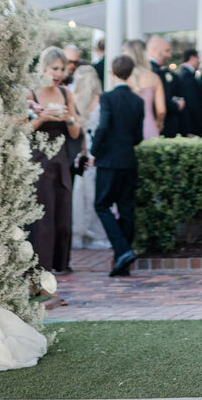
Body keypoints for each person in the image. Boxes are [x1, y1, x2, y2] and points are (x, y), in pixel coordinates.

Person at [27, 46, 82, 276]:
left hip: (60, 160)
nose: (59, 73)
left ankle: (60, 262)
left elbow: (76, 133)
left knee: (62, 211)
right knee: (43, 214)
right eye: (54, 68)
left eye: (62, 69)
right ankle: (40, 266)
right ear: (44, 68)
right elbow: (23, 129)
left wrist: (69, 118)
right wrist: (41, 119)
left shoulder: (66, 94)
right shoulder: (32, 93)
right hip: (38, 159)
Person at [91, 54, 145, 277]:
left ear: (112, 73)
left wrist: (95, 150)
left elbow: (103, 126)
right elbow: (138, 136)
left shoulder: (108, 98)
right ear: (130, 73)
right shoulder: (138, 101)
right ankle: (123, 260)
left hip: (109, 160)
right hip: (128, 160)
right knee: (126, 208)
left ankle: (122, 250)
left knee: (102, 205)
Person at [66, 45, 108, 251]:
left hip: (79, 152)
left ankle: (78, 234)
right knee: (94, 193)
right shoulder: (101, 101)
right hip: (95, 153)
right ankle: (94, 234)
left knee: (79, 193)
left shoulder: (73, 100)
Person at [124, 39, 165, 138]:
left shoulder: (122, 77)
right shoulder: (154, 78)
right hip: (148, 126)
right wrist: (159, 123)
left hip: (126, 127)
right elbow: (161, 110)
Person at [147, 34, 185, 138]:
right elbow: (162, 101)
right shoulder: (155, 73)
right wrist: (177, 105)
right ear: (155, 50)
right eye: (166, 51)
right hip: (161, 125)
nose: (169, 55)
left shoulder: (161, 72)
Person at [176, 48, 202, 136]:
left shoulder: (184, 74)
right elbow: (193, 102)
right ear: (192, 58)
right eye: (198, 58)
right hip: (191, 123)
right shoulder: (187, 76)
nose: (200, 61)